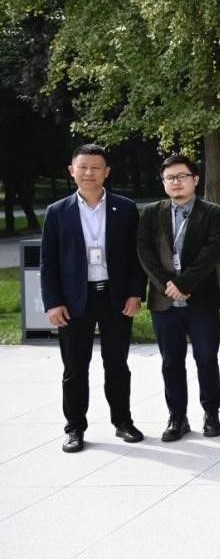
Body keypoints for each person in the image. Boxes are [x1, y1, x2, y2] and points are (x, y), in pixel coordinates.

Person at [41, 144, 146, 453]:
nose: (89, 173)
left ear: (107, 172)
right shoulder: (58, 212)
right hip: (74, 300)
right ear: (72, 171)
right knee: (75, 368)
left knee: (117, 365)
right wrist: (53, 302)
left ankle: (123, 421)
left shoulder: (125, 208)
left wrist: (136, 293)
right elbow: (49, 263)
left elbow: (136, 257)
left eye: (96, 167)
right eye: (83, 167)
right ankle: (74, 428)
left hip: (115, 297)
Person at [137, 155, 220, 442]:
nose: (176, 182)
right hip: (165, 302)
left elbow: (212, 252)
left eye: (182, 176)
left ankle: (211, 413)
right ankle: (177, 417)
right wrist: (168, 285)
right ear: (164, 182)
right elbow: (145, 253)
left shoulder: (213, 213)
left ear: (195, 179)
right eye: (170, 178)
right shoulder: (151, 212)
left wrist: (184, 283)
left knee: (206, 359)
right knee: (171, 361)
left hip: (201, 299)